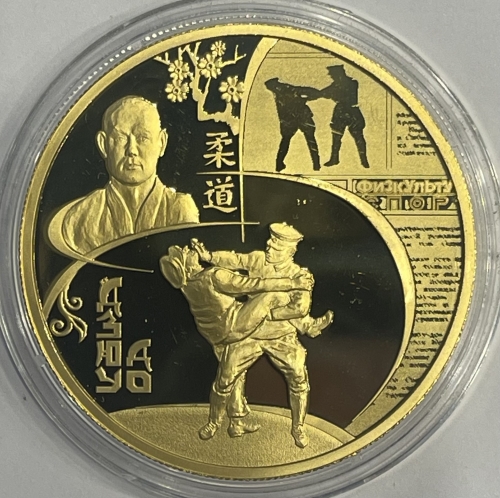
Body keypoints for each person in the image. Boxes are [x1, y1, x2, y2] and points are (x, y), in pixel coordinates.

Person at [161, 223, 334, 448]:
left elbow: (300, 308)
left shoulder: (300, 275)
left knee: (298, 378)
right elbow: (235, 259)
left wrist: (270, 314)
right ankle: (214, 422)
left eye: (276, 245)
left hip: (281, 336)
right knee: (225, 379)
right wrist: (210, 256)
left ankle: (298, 427)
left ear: (290, 251)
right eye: (270, 240)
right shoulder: (258, 260)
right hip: (248, 333)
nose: (269, 245)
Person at [56, 95, 199, 254]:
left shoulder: (180, 210)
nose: (131, 150)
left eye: (143, 138)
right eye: (120, 138)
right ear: (103, 145)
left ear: (162, 143)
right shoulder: (80, 218)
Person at [265, 78, 322, 172]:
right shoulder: (279, 92)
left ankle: (316, 164)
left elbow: (307, 91)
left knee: (308, 139)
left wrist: (306, 98)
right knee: (289, 140)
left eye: (271, 87)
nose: (271, 89)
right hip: (291, 120)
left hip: (301, 118)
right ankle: (279, 164)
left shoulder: (288, 89)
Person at [321, 65, 370, 168]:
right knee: (336, 137)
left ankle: (364, 160)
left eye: (333, 75)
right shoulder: (336, 85)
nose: (331, 77)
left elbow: (340, 95)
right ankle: (334, 159)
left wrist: (331, 94)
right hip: (341, 112)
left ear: (339, 74)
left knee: (358, 137)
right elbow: (323, 93)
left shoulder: (352, 83)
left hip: (351, 112)